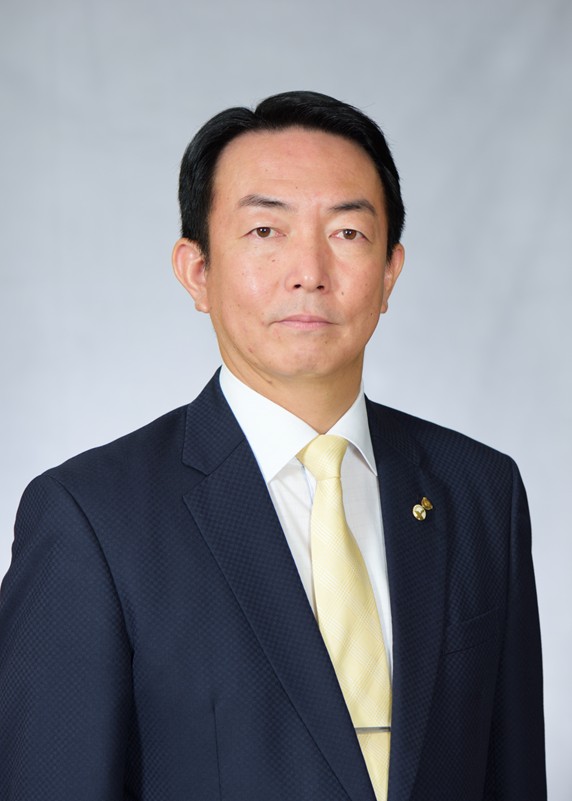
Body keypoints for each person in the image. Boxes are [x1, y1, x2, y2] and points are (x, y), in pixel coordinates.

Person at [0, 91, 546, 801]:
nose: (309, 271)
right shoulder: (91, 518)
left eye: (347, 232)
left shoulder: (480, 492)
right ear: (197, 271)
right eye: (265, 230)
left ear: (390, 272)